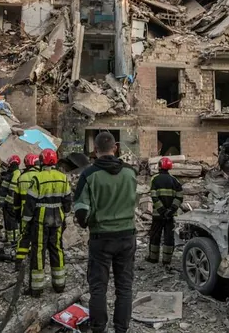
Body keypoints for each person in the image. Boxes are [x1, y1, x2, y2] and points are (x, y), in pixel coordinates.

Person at [74, 132, 138, 333]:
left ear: (95, 150)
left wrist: (87, 223)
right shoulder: (130, 173)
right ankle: (121, 329)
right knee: (124, 287)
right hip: (127, 235)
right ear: (115, 148)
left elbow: (81, 210)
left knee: (98, 288)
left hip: (101, 238)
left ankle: (98, 328)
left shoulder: (89, 175)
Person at [22, 149, 72, 296]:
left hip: (41, 219)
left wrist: (26, 222)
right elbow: (67, 200)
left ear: (42, 161)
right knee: (57, 248)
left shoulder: (37, 178)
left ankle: (37, 288)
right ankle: (59, 285)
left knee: (38, 250)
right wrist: (65, 214)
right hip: (58, 218)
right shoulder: (62, 178)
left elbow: (30, 203)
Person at [146, 157, 183, 266]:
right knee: (169, 237)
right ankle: (167, 261)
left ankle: (153, 258)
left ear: (160, 166)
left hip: (158, 215)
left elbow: (154, 196)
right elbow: (179, 197)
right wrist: (171, 210)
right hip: (170, 216)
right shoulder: (175, 180)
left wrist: (162, 210)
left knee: (155, 235)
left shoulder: (155, 179)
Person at [13, 154, 40, 270]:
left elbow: (16, 200)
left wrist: (17, 214)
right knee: (38, 237)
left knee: (24, 236)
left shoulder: (21, 178)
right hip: (38, 212)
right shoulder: (40, 176)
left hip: (24, 213)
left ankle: (19, 261)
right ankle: (35, 260)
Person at [0, 155, 22, 246]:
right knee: (7, 221)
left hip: (10, 203)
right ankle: (9, 238)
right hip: (6, 202)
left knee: (12, 222)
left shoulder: (16, 173)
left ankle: (14, 240)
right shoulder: (11, 172)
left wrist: (9, 202)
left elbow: (12, 190)